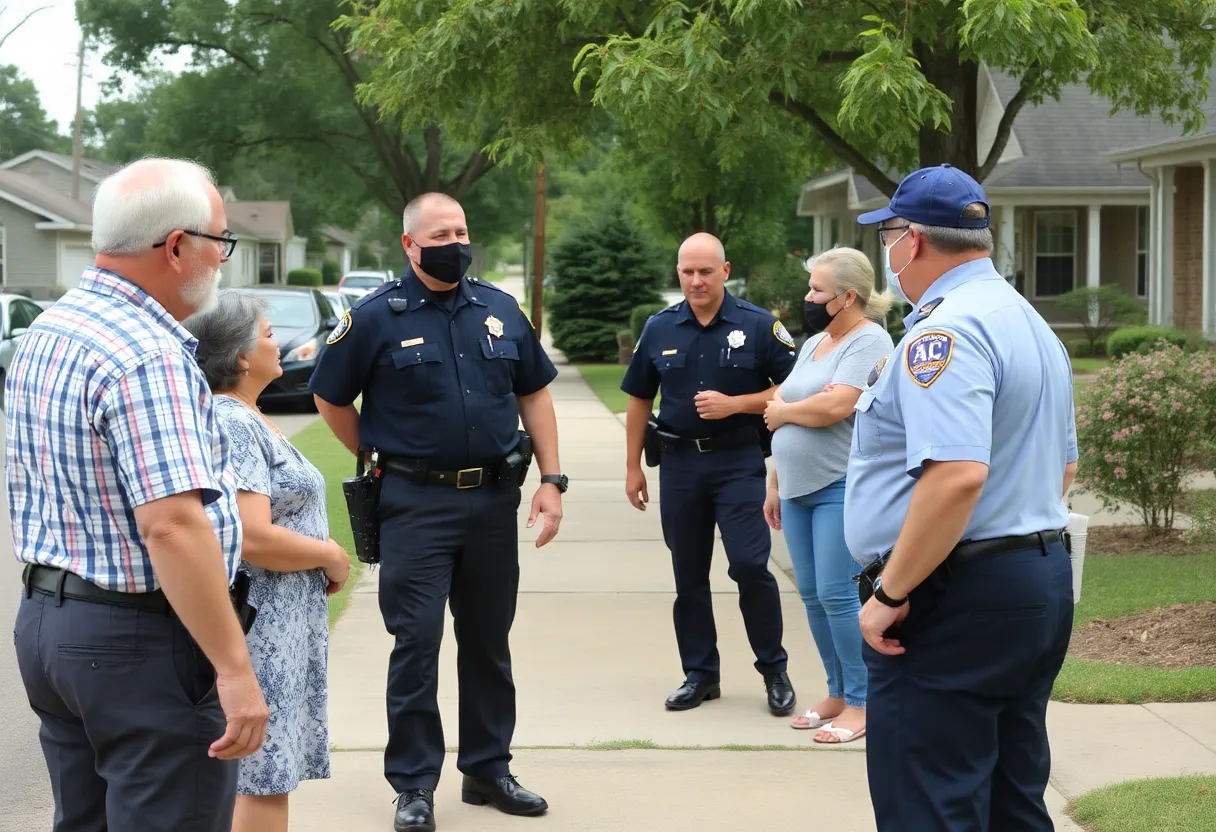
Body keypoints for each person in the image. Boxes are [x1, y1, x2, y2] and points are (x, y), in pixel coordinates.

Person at [7, 157, 269, 832]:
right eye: (219, 239)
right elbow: (173, 527)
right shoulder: (147, 354)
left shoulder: (49, 330)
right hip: (139, 642)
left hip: (50, 627)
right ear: (178, 246)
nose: (222, 256)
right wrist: (234, 669)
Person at [309, 192, 566, 832]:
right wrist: (375, 454)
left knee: (487, 641)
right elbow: (330, 395)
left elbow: (533, 392)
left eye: (461, 230)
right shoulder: (372, 317)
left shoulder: (501, 311)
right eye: (440, 233)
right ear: (409, 244)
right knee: (417, 642)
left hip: (491, 502)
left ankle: (487, 769)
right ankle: (415, 784)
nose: (455, 241)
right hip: (414, 503)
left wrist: (552, 479)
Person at [847, 164, 1077, 831]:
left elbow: (956, 475)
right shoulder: (1029, 323)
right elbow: (1061, 468)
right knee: (1012, 801)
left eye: (887, 236)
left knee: (931, 806)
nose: (887, 253)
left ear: (911, 240)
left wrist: (889, 594)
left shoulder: (943, 333)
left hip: (951, 597)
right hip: (1033, 580)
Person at [184, 291, 351, 832]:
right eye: (270, 333)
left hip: (287, 620)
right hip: (262, 622)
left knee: (270, 775)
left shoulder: (253, 416)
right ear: (239, 356)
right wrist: (330, 555)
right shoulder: (232, 422)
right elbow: (251, 536)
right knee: (263, 779)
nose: (280, 342)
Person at [621, 232, 798, 716]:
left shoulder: (760, 325)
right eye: (687, 272)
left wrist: (736, 404)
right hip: (679, 466)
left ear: (725, 270)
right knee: (688, 575)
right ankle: (700, 674)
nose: (695, 281)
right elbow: (639, 397)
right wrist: (632, 466)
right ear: (677, 273)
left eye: (705, 271)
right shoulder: (660, 328)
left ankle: (774, 670)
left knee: (748, 566)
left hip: (737, 462)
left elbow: (792, 388)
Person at [761, 247, 894, 745]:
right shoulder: (816, 341)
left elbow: (838, 404)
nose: (808, 298)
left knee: (839, 595)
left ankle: (863, 703)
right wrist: (775, 481)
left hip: (839, 484)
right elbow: (791, 400)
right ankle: (837, 692)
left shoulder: (869, 341)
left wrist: (782, 414)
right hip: (795, 488)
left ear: (847, 296)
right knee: (814, 596)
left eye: (818, 291)